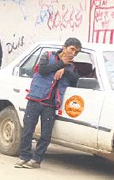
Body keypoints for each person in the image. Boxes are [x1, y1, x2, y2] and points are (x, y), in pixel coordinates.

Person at [15, 37, 82, 169]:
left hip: (51, 104)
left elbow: (75, 80)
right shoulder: (48, 56)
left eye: (76, 52)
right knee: (28, 129)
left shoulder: (71, 67)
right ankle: (24, 156)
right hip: (36, 98)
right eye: (72, 49)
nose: (73, 53)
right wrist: (61, 64)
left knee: (46, 135)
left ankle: (36, 160)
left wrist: (65, 70)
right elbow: (42, 70)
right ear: (64, 47)